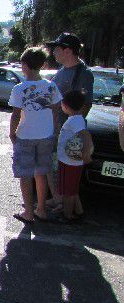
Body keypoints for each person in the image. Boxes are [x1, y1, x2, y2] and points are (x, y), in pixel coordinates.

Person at [8, 47, 62, 224]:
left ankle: (28, 212)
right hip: (46, 135)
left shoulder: (20, 88)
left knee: (25, 174)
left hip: (25, 135)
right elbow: (56, 111)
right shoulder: (51, 86)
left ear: (24, 65)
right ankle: (41, 210)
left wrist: (12, 133)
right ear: (43, 65)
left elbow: (16, 114)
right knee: (41, 172)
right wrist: (54, 131)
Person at [44, 33, 95, 209]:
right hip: (55, 128)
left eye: (56, 49)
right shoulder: (62, 70)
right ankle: (58, 198)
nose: (53, 53)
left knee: (67, 171)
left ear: (67, 50)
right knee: (52, 164)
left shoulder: (83, 73)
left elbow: (85, 105)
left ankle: (67, 208)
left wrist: (71, 126)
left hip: (67, 131)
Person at [57, 89, 93, 223]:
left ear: (65, 105)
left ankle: (67, 215)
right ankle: (78, 211)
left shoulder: (75, 121)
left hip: (70, 162)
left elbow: (86, 136)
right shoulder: (76, 119)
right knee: (72, 189)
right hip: (70, 161)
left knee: (68, 191)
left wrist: (86, 155)